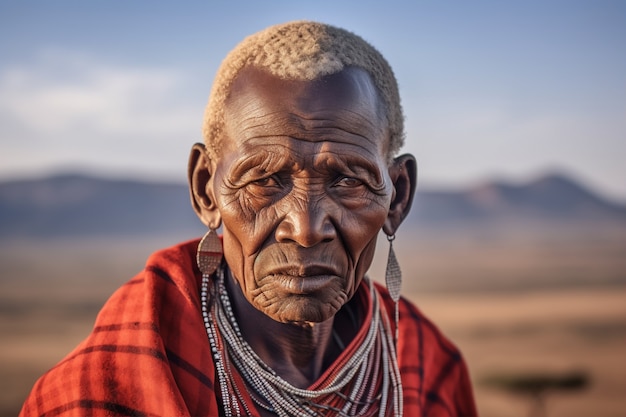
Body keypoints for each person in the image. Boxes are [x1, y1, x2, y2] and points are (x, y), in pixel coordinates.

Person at [20, 21, 477, 417]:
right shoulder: (97, 391)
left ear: (397, 198)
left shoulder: (425, 365)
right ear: (206, 189)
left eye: (348, 182)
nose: (305, 227)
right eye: (264, 180)